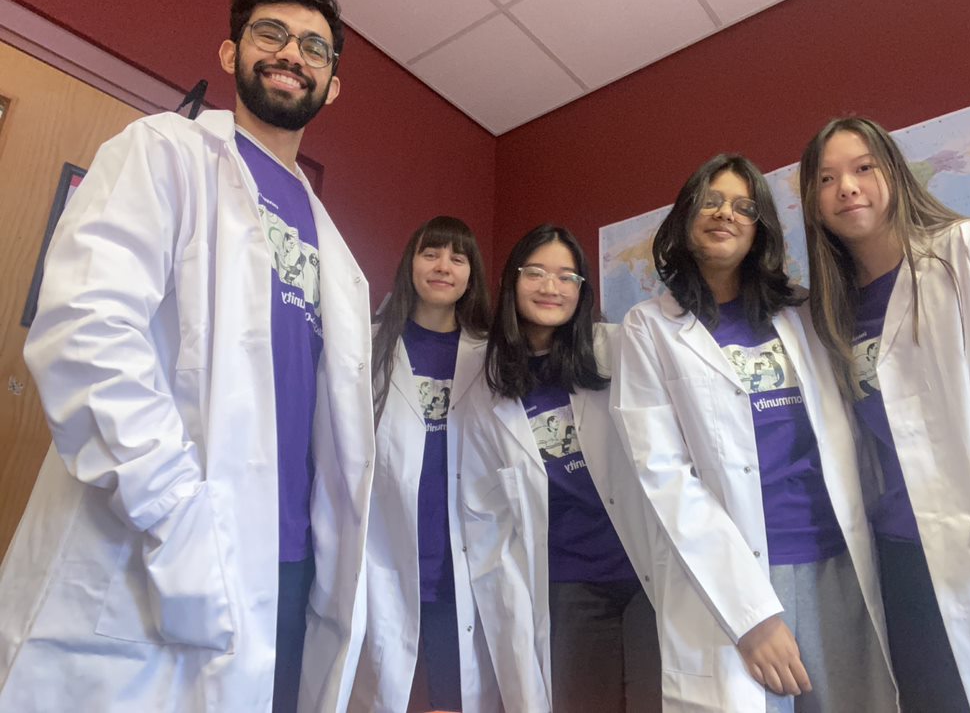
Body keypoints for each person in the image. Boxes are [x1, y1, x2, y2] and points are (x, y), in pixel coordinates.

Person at [0, 0, 375, 713]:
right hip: (156, 535)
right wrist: (176, 511)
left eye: (314, 46)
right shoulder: (162, 151)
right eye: (270, 33)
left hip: (290, 563)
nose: (291, 53)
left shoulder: (340, 256)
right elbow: (87, 328)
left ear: (332, 86)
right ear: (231, 51)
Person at [611, 155, 896, 712]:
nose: (726, 214)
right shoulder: (649, 327)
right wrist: (753, 616)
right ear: (685, 217)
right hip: (732, 579)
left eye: (744, 206)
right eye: (711, 201)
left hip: (836, 557)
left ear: (760, 227)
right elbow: (665, 477)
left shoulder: (803, 313)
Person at [799, 116, 970, 713]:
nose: (848, 187)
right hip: (901, 564)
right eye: (827, 178)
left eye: (864, 167)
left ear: (893, 171)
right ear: (813, 205)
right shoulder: (829, 317)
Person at [461, 225, 661, 713]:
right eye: (537, 273)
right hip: (566, 586)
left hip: (644, 572)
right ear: (512, 281)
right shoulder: (486, 387)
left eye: (566, 276)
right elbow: (486, 509)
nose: (551, 287)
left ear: (582, 291)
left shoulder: (616, 351)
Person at [349, 216, 501, 713]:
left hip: (461, 561)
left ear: (471, 274)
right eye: (431, 253)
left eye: (458, 258)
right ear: (410, 263)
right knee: (371, 692)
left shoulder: (491, 354)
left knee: (453, 698)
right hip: (384, 554)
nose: (443, 266)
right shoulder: (367, 345)